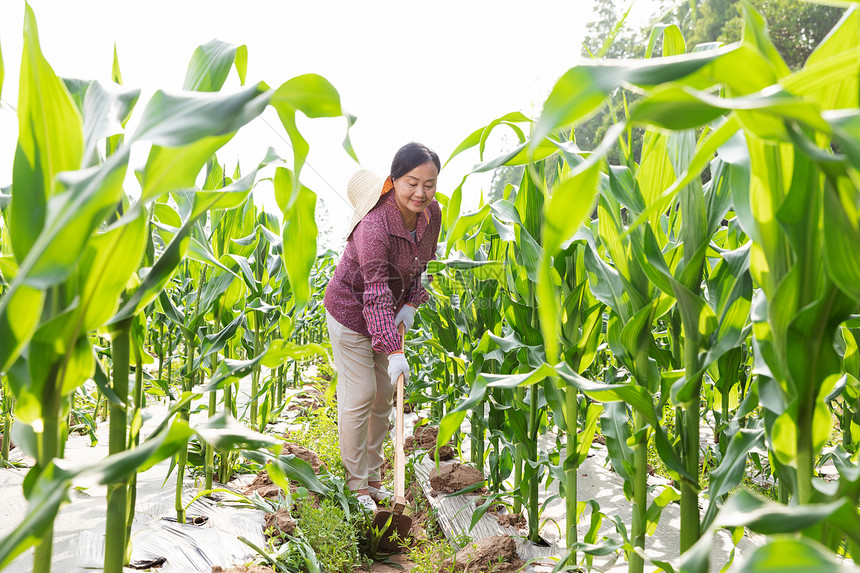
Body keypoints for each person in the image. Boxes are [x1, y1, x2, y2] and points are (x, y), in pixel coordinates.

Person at [323, 142, 442, 512]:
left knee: (382, 397)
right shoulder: (373, 226)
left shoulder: (433, 214)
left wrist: (409, 303)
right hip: (351, 311)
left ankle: (374, 478)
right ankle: (355, 486)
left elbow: (421, 264)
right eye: (411, 183)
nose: (421, 193)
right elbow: (373, 294)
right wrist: (393, 351)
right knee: (360, 393)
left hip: (388, 313)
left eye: (430, 183)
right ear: (393, 181)